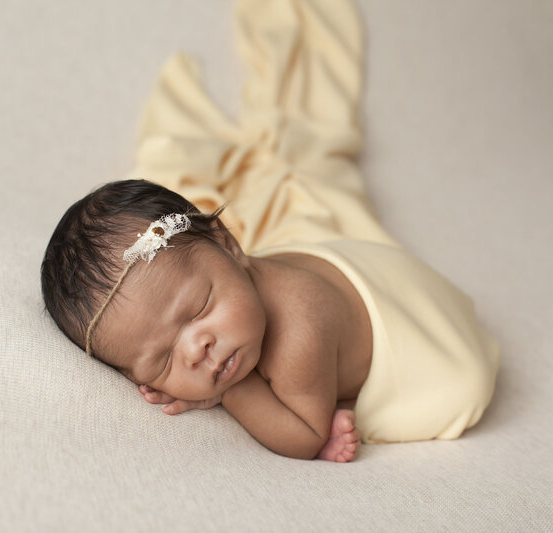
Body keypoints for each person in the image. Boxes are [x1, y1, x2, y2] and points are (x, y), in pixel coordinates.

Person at [41, 0, 500, 462]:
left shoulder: (298, 330)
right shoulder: (226, 293)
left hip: (412, 330)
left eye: (199, 308)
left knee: (464, 387)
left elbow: (303, 437)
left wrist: (231, 395)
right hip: (338, 276)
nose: (196, 352)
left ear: (229, 243)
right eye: (162, 361)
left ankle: (341, 389)